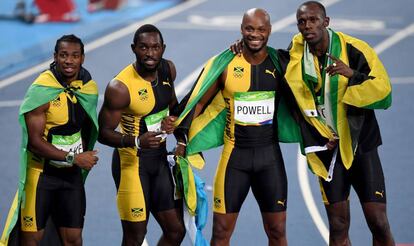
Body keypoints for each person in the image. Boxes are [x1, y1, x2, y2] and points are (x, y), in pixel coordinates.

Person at [232, 2, 395, 245]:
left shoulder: (355, 49)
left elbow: (384, 92)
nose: (307, 26)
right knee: (338, 224)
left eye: (313, 20)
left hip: (361, 146)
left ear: (326, 22)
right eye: (302, 22)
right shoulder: (297, 54)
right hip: (327, 149)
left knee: (378, 221)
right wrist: (243, 45)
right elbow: (270, 59)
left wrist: (353, 75)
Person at [175, 8, 303, 246]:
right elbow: (199, 101)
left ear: (269, 31)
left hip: (270, 160)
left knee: (277, 232)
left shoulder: (281, 63)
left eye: (260, 29)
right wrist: (182, 137)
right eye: (249, 29)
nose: (255, 34)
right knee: (221, 233)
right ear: (241, 30)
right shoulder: (225, 64)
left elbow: (305, 86)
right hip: (234, 160)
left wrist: (319, 134)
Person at [1, 34, 99, 245]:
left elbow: (88, 128)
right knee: (31, 240)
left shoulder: (88, 87)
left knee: (73, 239)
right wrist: (74, 158)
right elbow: (34, 142)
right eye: (63, 55)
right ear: (55, 56)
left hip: (71, 178)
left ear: (83, 58)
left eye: (74, 56)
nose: (69, 61)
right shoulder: (42, 90)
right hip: (41, 176)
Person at [97, 24, 186, 246]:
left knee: (175, 231)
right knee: (135, 236)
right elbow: (102, 133)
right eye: (143, 47)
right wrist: (136, 141)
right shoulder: (120, 87)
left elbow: (172, 106)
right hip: (132, 167)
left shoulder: (168, 70)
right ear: (134, 48)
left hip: (159, 162)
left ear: (163, 48)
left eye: (155, 47)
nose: (150, 53)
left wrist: (173, 122)